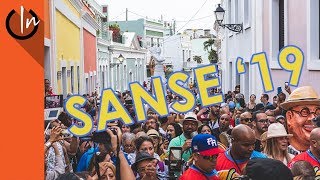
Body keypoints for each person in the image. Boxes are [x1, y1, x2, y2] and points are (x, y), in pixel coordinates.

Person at [280, 86, 320, 154]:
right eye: (304, 112)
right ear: (289, 117)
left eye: (317, 113)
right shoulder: (281, 156)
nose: (313, 118)